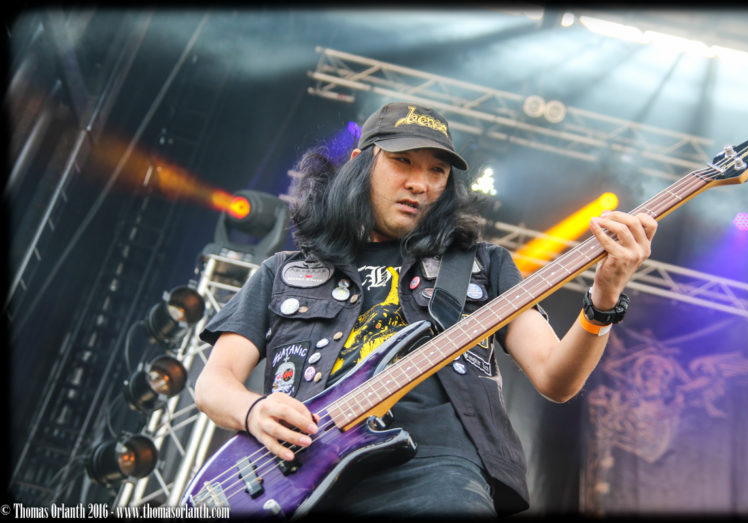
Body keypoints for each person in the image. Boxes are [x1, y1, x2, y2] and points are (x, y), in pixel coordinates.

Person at [193, 102, 657, 517]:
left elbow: (556, 378)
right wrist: (252, 411)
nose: (420, 183)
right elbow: (214, 384)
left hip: (437, 476)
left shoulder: (482, 265)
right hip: (298, 479)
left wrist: (604, 300)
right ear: (360, 163)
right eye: (402, 162)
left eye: (437, 171)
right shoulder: (284, 271)